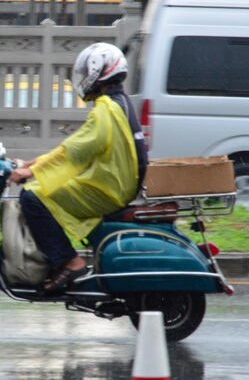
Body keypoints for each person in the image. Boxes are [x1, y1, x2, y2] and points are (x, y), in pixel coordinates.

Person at [9, 42, 148, 293]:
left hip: (107, 189)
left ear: (99, 73)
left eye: (86, 73)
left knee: (32, 198)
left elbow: (75, 152)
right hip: (114, 184)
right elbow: (74, 146)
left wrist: (32, 173)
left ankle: (70, 263)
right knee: (40, 189)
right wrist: (34, 164)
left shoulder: (105, 111)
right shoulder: (117, 104)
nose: (83, 79)